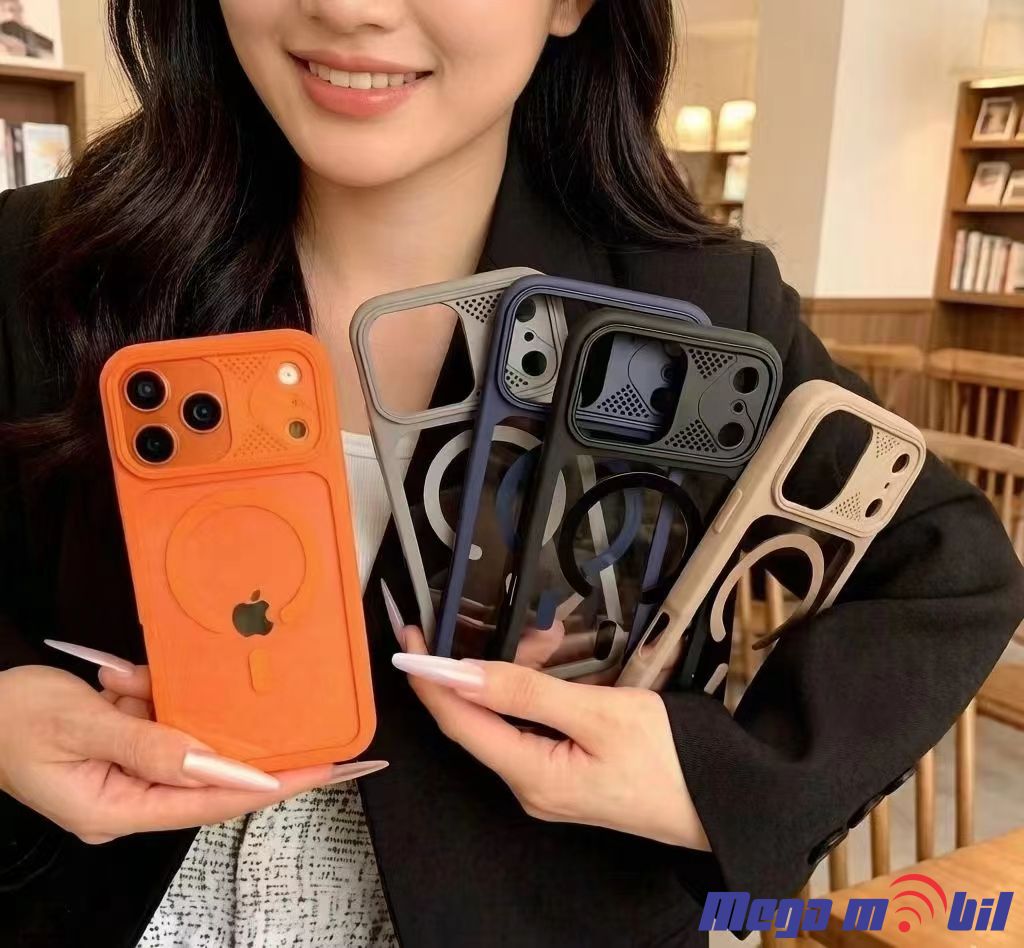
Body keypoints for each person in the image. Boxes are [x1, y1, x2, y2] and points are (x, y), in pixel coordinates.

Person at [0, 1, 1020, 946]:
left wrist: (719, 781)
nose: (351, 8)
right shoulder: (41, 257)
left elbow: (952, 567)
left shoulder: (698, 304)